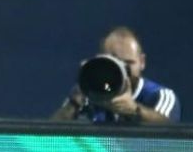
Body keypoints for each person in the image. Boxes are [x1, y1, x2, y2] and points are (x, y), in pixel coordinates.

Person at [51, 26, 180, 123]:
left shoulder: (159, 95)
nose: (122, 70)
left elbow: (169, 128)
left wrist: (133, 110)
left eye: (128, 63)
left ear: (142, 62)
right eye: (115, 63)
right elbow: (48, 137)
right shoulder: (89, 92)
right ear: (101, 60)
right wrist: (76, 101)